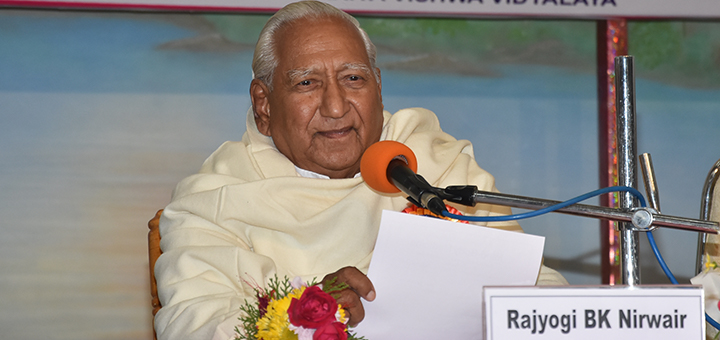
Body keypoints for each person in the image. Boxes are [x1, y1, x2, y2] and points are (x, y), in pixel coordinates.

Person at [153, 1, 567, 339]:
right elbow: (191, 324)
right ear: (263, 104)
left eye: (353, 79)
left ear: (378, 87)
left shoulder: (431, 164)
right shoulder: (216, 199)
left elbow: (536, 286)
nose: (336, 107)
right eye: (306, 84)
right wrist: (305, 315)